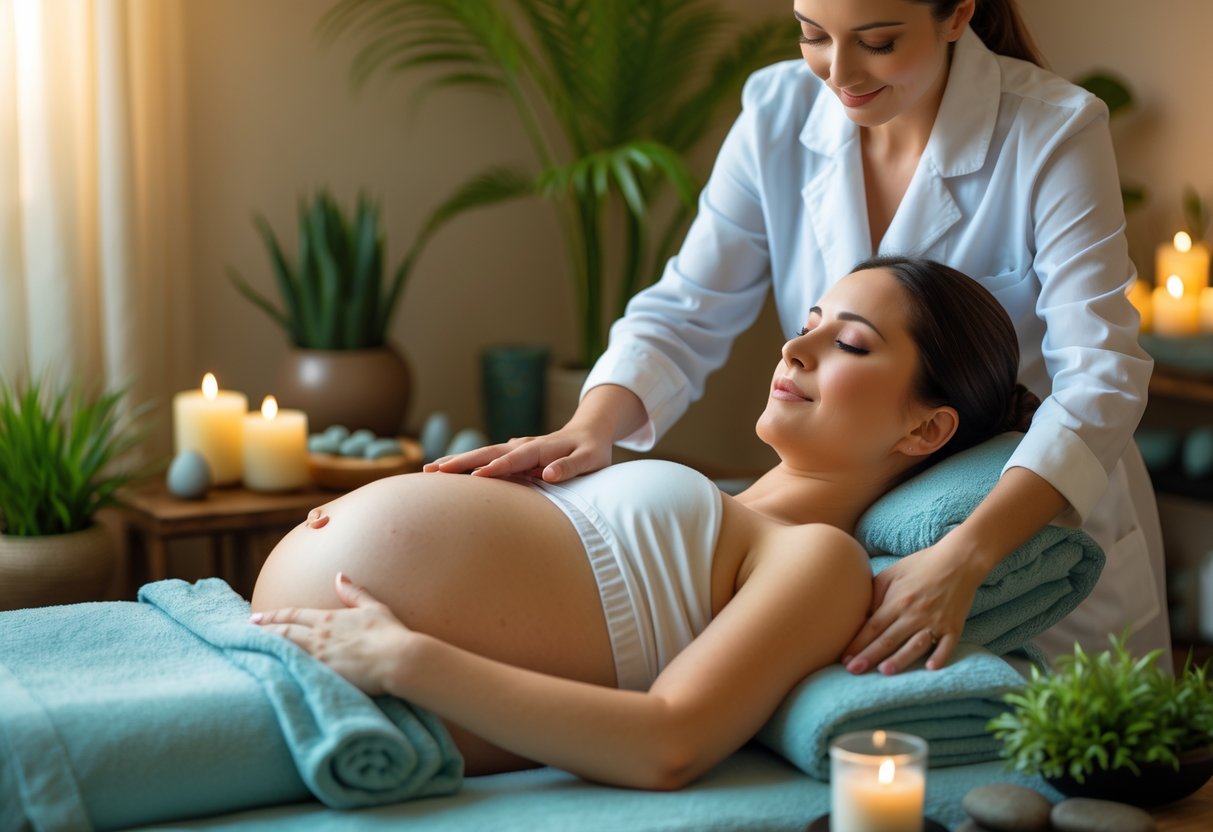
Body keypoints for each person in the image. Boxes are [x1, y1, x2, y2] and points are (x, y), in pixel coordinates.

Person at [425, 0, 1169, 674]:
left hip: (1025, 523)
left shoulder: (1050, 129)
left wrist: (964, 554)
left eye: (876, 41)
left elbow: (1098, 373)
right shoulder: (778, 110)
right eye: (812, 34)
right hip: (855, 510)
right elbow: (688, 305)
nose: (838, 73)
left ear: (955, 16)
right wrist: (593, 426)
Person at [251, 258, 1039, 788]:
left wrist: (404, 660)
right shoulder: (730, 504)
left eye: (850, 345)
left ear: (925, 431)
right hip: (317, 655)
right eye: (808, 320)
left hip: (372, 684)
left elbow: (670, 741)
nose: (794, 347)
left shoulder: (820, 560)